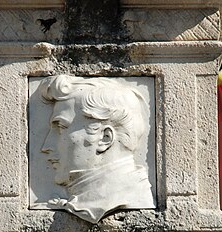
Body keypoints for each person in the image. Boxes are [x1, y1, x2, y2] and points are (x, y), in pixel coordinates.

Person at [39, 75, 154, 223]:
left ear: (105, 138)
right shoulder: (80, 200)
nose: (46, 147)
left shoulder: (130, 198)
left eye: (61, 127)